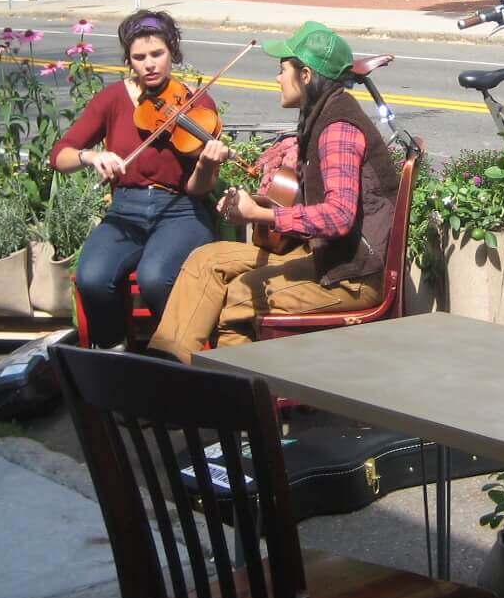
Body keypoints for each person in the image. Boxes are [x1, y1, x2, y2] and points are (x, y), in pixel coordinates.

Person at [149, 20, 400, 361]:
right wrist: (256, 201)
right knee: (205, 259)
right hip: (326, 254)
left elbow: (339, 216)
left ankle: (240, 403)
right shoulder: (318, 113)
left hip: (353, 275)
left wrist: (261, 214)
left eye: (283, 70)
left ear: (307, 75)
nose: (277, 78)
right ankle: (168, 368)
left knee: (240, 296)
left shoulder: (338, 128)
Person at [51, 10, 229, 348]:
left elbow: (198, 188)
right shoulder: (113, 99)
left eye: (157, 54)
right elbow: (60, 154)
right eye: (139, 57)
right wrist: (91, 156)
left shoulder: (196, 103)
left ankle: (174, 353)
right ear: (129, 60)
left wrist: (206, 165)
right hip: (125, 209)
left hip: (181, 209)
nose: (149, 64)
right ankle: (115, 354)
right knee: (92, 277)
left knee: (156, 277)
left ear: (172, 52)